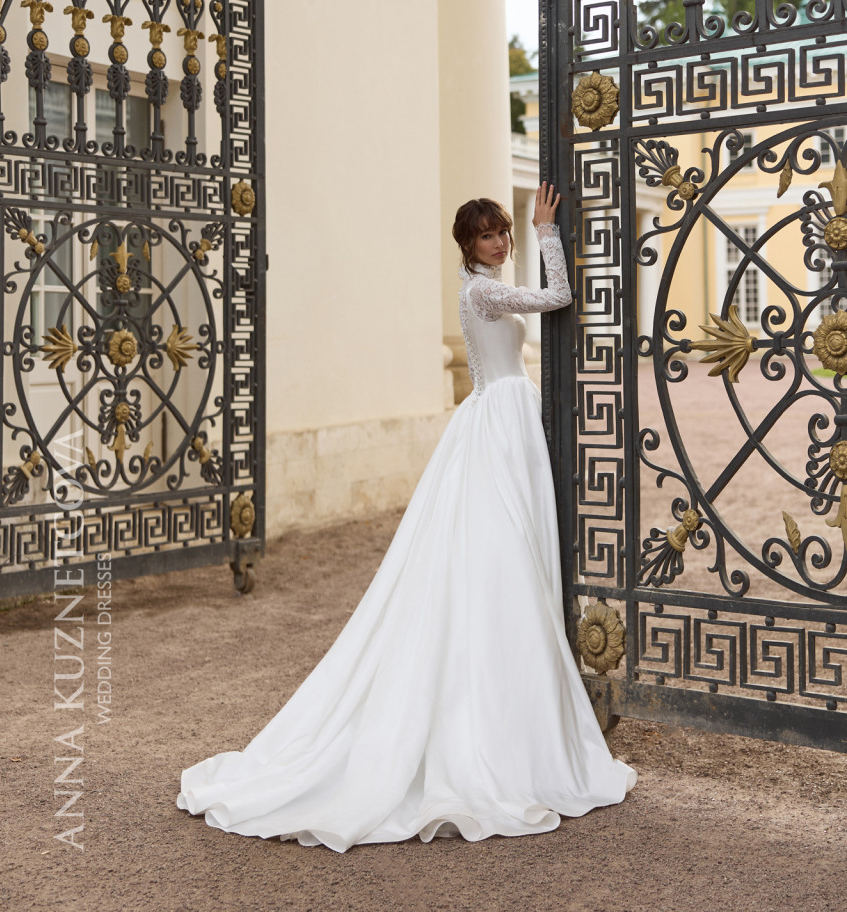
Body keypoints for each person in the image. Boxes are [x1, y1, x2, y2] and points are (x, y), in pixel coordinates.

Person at [177, 182, 635, 850]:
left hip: (503, 421)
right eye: (488, 235)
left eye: (503, 232)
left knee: (510, 552)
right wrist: (547, 232)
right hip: (499, 426)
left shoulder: (480, 287)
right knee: (501, 555)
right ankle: (502, 720)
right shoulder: (481, 293)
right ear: (467, 245)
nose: (499, 242)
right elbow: (559, 296)